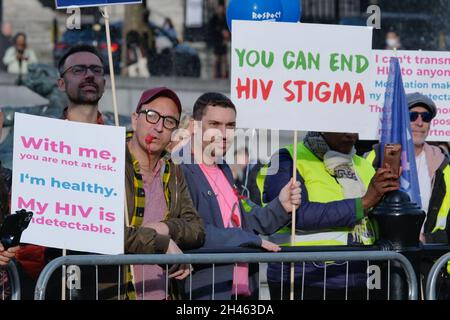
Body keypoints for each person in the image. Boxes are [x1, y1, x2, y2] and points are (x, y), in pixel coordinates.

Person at [178, 92, 301, 300]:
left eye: (231, 125)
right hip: (208, 288)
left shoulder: (223, 168)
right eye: (215, 124)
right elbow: (192, 231)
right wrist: (249, 240)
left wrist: (281, 206)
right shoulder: (180, 169)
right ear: (194, 126)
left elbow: (243, 221)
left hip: (242, 286)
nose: (224, 134)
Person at [263, 131, 400, 299]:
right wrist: (363, 203)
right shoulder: (287, 158)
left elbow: (375, 219)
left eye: (354, 128)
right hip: (303, 277)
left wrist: (388, 194)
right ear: (323, 125)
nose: (350, 135)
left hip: (359, 275)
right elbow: (296, 215)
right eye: (342, 127)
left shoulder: (362, 164)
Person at [366, 93, 450, 299]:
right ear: (401, 119)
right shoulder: (373, 159)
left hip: (430, 263)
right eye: (412, 115)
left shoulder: (444, 166)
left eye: (426, 116)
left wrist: (428, 239)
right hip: (384, 260)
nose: (420, 122)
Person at [123, 87, 205, 299]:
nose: (159, 127)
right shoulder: (110, 162)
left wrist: (165, 228)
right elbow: (104, 233)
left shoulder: (173, 169)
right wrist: (162, 242)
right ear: (135, 119)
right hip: (120, 291)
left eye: (169, 121)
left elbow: (196, 229)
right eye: (151, 116)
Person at [207, 4, 230, 79]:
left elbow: (228, 29)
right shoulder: (214, 19)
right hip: (217, 41)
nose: (220, 10)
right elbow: (211, 30)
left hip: (223, 41)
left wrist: (226, 38)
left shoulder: (225, 19)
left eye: (221, 9)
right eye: (219, 9)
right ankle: (215, 74)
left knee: (224, 59)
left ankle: (223, 75)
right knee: (216, 59)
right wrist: (220, 31)